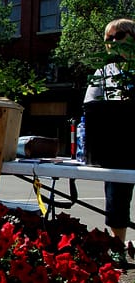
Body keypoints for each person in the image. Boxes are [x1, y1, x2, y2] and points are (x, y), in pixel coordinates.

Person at [84, 19, 135, 262]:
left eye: (119, 35)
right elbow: (91, 106)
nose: (113, 42)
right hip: (117, 147)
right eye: (108, 39)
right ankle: (118, 249)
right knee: (116, 198)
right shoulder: (103, 73)